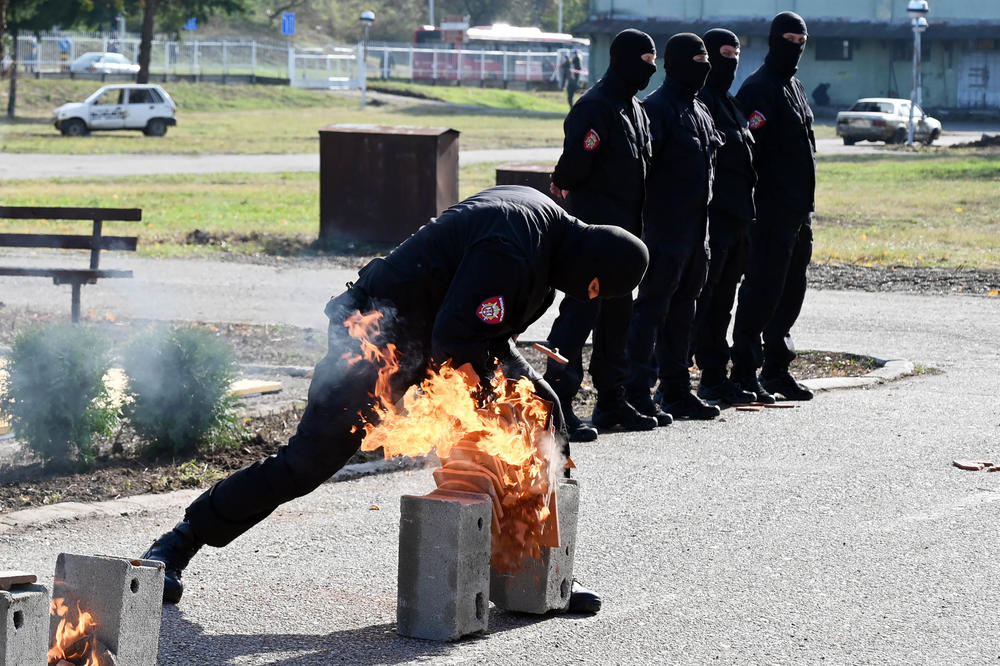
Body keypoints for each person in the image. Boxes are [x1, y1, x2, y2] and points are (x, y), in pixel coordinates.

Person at [140, 185, 650, 615]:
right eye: (592, 290)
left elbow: (488, 334)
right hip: (374, 343)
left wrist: (535, 401)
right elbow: (458, 338)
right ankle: (177, 544)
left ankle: (536, 570)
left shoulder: (548, 237)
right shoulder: (516, 246)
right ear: (590, 267)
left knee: (539, 417)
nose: (582, 299)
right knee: (307, 462)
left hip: (431, 341)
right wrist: (496, 401)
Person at [543, 29, 659, 440]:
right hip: (593, 239)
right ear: (623, 60)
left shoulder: (636, 109)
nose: (651, 68)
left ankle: (613, 401)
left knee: (618, 320)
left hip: (625, 241)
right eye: (645, 61)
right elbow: (574, 166)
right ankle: (555, 406)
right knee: (578, 318)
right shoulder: (596, 106)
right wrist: (562, 181)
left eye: (654, 61)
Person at [623, 33, 722, 422]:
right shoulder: (655, 109)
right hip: (663, 230)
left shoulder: (699, 109)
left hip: (698, 231)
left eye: (706, 58)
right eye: (696, 59)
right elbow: (642, 173)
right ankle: (636, 390)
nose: (705, 65)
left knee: (685, 312)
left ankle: (676, 389)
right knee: (651, 311)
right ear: (677, 62)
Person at [729, 11, 816, 402]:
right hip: (768, 210)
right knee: (762, 289)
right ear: (773, 40)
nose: (795, 47)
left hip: (798, 210)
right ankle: (744, 371)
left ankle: (777, 369)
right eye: (789, 40)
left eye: (802, 41)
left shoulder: (793, 85)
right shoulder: (759, 88)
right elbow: (745, 154)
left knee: (790, 289)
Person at [690, 28, 758, 406]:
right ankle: (678, 379)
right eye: (723, 54)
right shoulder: (700, 104)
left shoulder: (729, 103)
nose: (731, 62)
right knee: (701, 300)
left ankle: (714, 377)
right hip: (711, 222)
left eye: (736, 54)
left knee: (722, 304)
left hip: (738, 220)